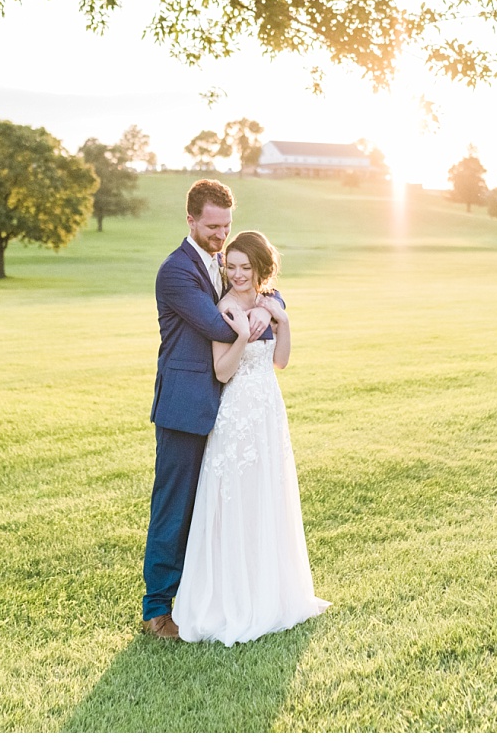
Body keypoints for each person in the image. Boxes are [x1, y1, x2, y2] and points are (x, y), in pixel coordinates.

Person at [171, 230, 329, 646]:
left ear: (260, 269)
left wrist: (283, 319)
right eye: (232, 267)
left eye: (246, 268)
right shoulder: (222, 308)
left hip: (268, 411)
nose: (238, 274)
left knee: (266, 494)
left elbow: (281, 360)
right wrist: (242, 334)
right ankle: (234, 596)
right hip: (237, 411)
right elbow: (222, 372)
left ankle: (270, 590)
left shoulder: (269, 301)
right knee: (235, 496)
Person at [142, 179, 271, 639]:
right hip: (184, 405)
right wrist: (261, 315)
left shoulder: (222, 265)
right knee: (173, 509)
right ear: (191, 220)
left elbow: (252, 287)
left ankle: (203, 599)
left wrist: (269, 303)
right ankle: (157, 609)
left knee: (210, 511)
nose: (220, 235)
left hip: (223, 408)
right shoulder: (176, 271)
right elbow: (217, 321)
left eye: (226, 226)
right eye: (212, 226)